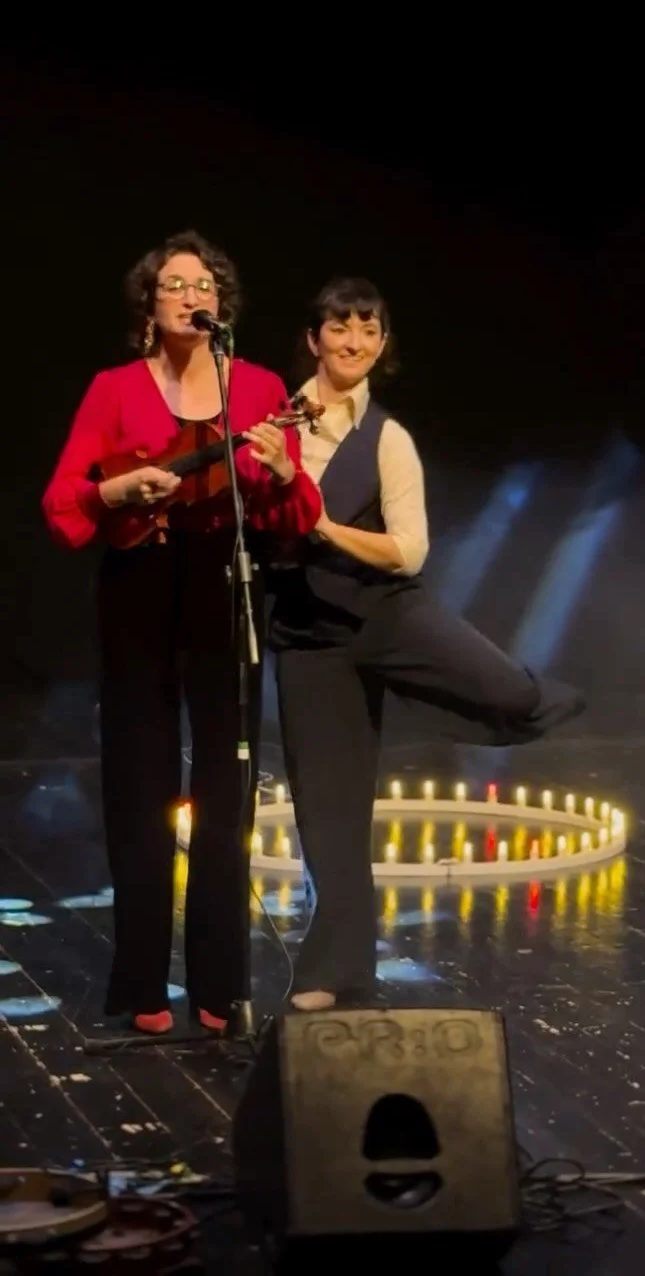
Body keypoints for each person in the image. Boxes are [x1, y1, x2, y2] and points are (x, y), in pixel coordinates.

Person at [267, 276, 586, 1012]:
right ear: (314, 339)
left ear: (383, 344)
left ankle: (542, 698)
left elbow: (408, 553)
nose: (354, 342)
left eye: (368, 330)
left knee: (506, 690)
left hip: (388, 614)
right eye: (340, 328)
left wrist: (321, 525)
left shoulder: (389, 439)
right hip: (311, 637)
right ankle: (336, 969)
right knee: (329, 810)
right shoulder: (274, 424)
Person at [41, 230, 322, 1035]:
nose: (190, 295)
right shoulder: (114, 388)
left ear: (220, 305)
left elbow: (295, 514)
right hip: (139, 580)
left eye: (204, 285)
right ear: (150, 303)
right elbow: (62, 501)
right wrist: (116, 491)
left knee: (227, 782)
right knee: (141, 778)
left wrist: (281, 470)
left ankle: (219, 982)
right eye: (174, 284)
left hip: (224, 582)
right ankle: (139, 984)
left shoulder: (259, 386)